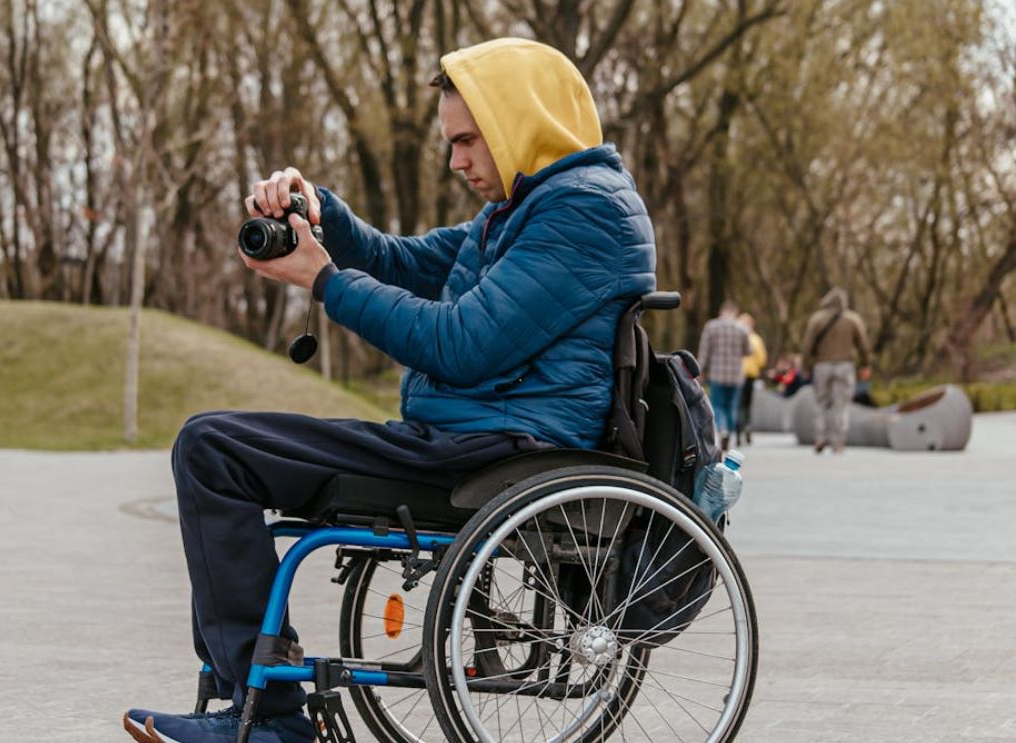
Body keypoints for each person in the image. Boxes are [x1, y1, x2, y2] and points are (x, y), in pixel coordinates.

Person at [123, 38, 657, 743]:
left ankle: (269, 724)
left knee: (212, 448)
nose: (455, 161)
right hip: (472, 439)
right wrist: (322, 214)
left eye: (467, 140)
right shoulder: (524, 209)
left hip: (500, 453)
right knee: (214, 446)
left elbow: (459, 345)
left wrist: (322, 282)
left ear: (518, 123)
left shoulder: (581, 213)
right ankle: (252, 709)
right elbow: (398, 260)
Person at [801, 287, 872, 454]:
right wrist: (865, 364)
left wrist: (805, 366)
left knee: (821, 402)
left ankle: (820, 437)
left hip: (822, 365)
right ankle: (838, 442)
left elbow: (807, 345)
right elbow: (863, 344)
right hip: (845, 365)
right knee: (841, 404)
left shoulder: (817, 320)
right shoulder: (853, 319)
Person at [697, 300, 751, 451]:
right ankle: (731, 435)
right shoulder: (742, 328)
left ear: (722, 311)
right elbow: (749, 351)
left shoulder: (711, 327)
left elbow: (704, 352)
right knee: (732, 407)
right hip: (736, 375)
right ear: (736, 312)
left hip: (717, 374)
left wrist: (700, 370)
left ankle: (722, 430)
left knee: (718, 405)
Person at [735, 313, 768, 446]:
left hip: (737, 374)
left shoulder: (735, 337)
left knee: (737, 404)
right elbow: (762, 359)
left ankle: (737, 430)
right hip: (751, 374)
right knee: (747, 403)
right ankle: (747, 425)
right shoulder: (756, 339)